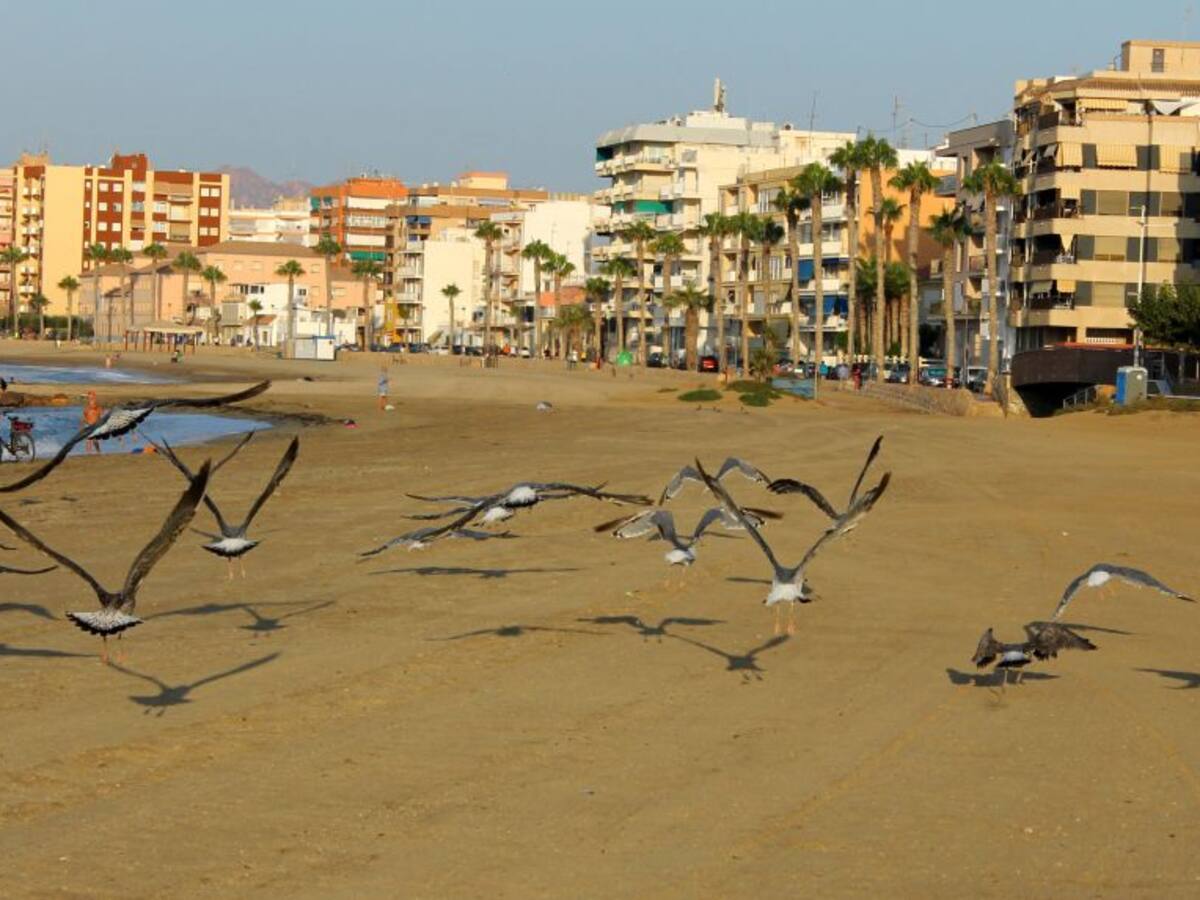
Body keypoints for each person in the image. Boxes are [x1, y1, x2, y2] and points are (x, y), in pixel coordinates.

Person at [82, 390, 104, 455]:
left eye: (90, 395)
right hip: (87, 424)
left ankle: (98, 451)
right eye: (89, 395)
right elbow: (84, 416)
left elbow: (101, 416)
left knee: (95, 440)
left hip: (95, 424)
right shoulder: (87, 407)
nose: (89, 397)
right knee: (88, 440)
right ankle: (88, 453)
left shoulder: (97, 407)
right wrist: (82, 425)